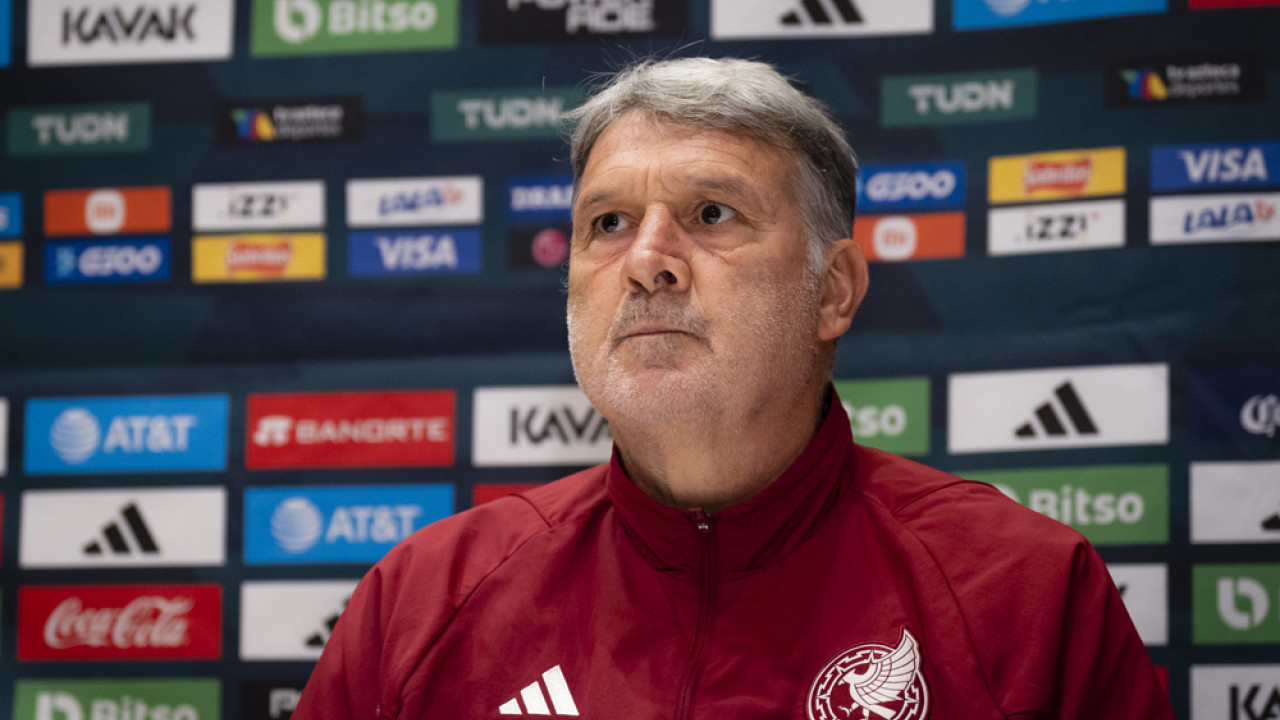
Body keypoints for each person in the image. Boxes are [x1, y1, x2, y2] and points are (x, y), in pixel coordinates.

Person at [294, 57, 1175, 719]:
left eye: (712, 214)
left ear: (832, 291)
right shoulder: (423, 601)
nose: (647, 262)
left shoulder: (1025, 594)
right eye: (609, 222)